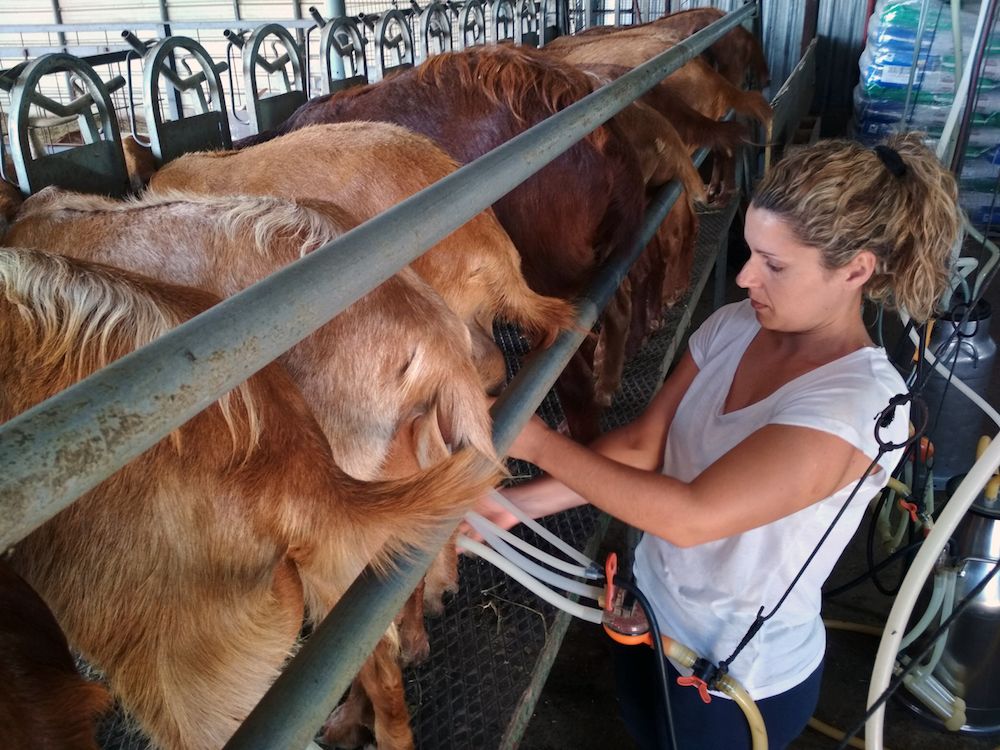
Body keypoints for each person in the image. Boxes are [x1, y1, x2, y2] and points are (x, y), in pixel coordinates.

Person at [471, 133, 961, 749]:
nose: (745, 275)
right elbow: (647, 442)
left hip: (734, 677)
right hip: (645, 613)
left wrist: (536, 442)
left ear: (856, 270)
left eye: (775, 265)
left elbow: (693, 517)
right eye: (751, 251)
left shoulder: (858, 406)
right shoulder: (734, 324)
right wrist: (513, 507)